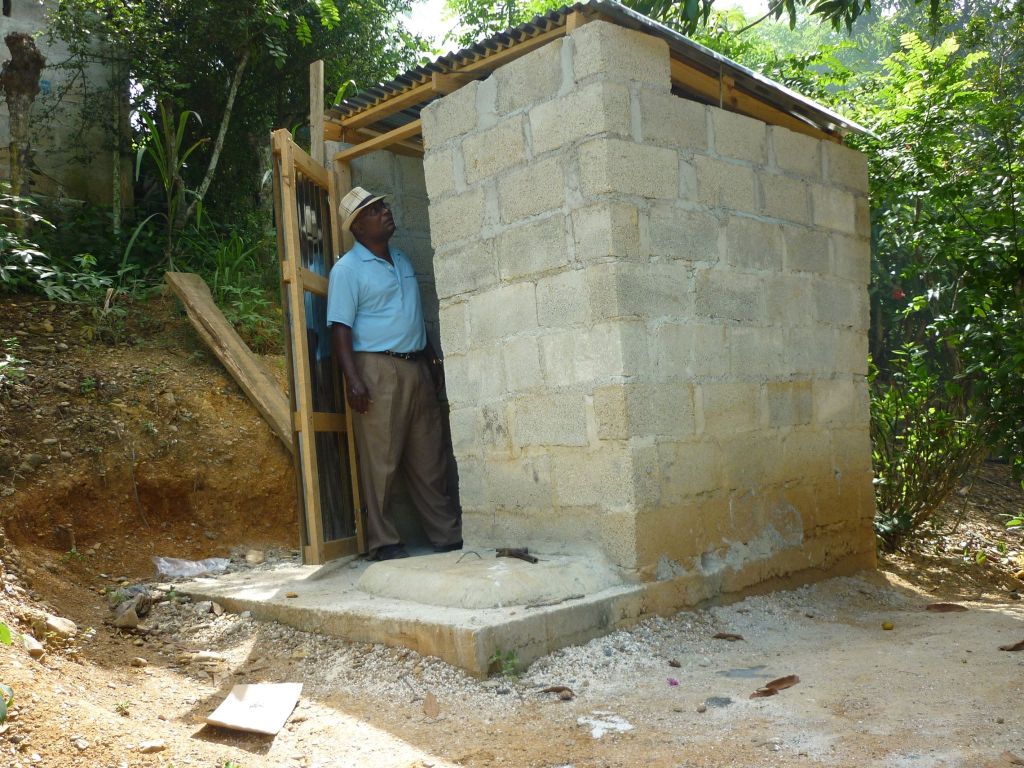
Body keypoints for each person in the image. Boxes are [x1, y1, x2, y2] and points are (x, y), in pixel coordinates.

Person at [326, 186, 462, 561]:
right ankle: (383, 541)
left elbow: (412, 315)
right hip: (376, 368)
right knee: (381, 459)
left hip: (417, 365)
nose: (385, 211)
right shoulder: (347, 270)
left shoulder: (401, 259)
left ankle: (446, 533)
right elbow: (340, 329)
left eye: (383, 205)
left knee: (429, 455)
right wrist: (353, 379)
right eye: (374, 210)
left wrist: (432, 359)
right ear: (357, 227)